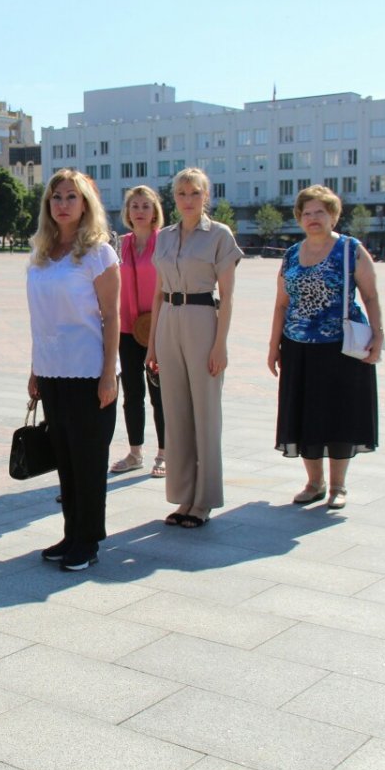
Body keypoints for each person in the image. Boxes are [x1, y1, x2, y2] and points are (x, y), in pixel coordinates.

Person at [26, 169, 120, 572]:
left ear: (85, 204)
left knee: (88, 459)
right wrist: (34, 370)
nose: (62, 204)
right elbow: (39, 317)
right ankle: (71, 533)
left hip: (87, 369)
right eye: (56, 197)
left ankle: (89, 540)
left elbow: (112, 317)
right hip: (51, 370)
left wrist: (108, 374)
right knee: (63, 456)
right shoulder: (42, 252)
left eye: (71, 197)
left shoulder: (99, 252)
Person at [267, 184, 383, 509]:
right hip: (298, 347)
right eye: (307, 213)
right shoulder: (291, 254)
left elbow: (371, 295)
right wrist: (274, 345)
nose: (313, 218)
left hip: (340, 348)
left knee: (339, 415)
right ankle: (314, 482)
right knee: (304, 416)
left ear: (333, 215)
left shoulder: (350, 249)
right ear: (299, 218)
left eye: (320, 212)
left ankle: (338, 486)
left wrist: (378, 334)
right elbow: (280, 304)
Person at [145, 168, 242, 528]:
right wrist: (152, 343)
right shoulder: (165, 237)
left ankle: (204, 500)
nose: (188, 199)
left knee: (205, 414)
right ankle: (184, 496)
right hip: (169, 318)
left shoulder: (219, 235)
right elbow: (157, 294)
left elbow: (228, 297)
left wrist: (221, 345)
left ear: (206, 197)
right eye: (182, 193)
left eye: (195, 193)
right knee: (176, 413)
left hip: (203, 319)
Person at [111, 185, 166, 478]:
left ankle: (164, 453)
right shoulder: (121, 244)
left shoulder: (166, 242)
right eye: (135, 206)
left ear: (154, 210)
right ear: (128, 212)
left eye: (146, 206)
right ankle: (135, 452)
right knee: (132, 393)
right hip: (128, 329)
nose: (140, 211)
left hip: (159, 328)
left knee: (160, 394)